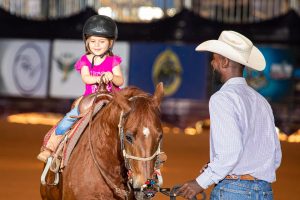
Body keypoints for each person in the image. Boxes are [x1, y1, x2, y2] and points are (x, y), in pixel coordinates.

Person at [176, 30, 282, 200]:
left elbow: (230, 152)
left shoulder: (222, 99)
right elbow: (275, 157)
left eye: (215, 58)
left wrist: (200, 182)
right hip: (264, 191)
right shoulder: (261, 101)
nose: (212, 63)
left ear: (225, 62)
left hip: (233, 191)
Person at [37, 15, 124, 162]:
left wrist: (112, 76)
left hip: (111, 100)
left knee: (132, 121)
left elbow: (120, 80)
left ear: (110, 43)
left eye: (101, 41)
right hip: (90, 100)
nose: (96, 45)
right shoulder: (85, 60)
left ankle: (147, 159)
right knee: (68, 120)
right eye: (92, 41)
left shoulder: (113, 61)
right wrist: (98, 78)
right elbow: (86, 78)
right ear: (87, 42)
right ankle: (50, 148)